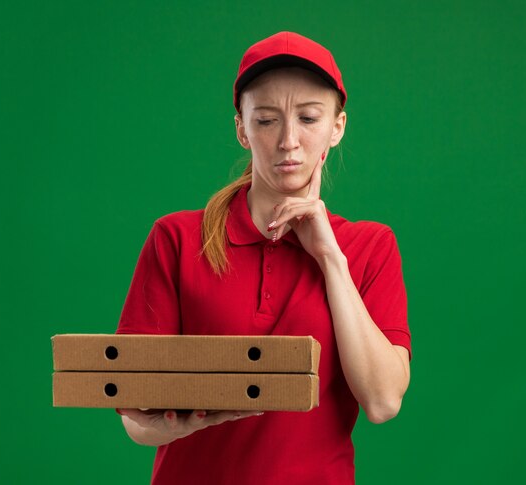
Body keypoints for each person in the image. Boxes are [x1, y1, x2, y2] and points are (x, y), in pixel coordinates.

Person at [115, 31, 412, 485]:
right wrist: (172, 425)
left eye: (309, 118)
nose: (289, 140)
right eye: (267, 119)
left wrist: (330, 257)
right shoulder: (175, 238)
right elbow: (133, 413)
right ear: (242, 129)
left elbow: (383, 401)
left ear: (338, 127)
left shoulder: (369, 246)